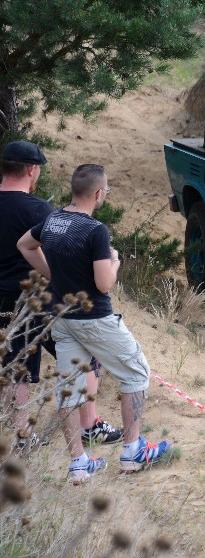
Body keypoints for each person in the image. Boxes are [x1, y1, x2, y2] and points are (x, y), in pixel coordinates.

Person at [18, 164, 169, 483]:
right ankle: (132, 451)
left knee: (69, 389)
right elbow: (103, 284)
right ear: (99, 194)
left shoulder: (53, 219)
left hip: (63, 318)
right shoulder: (95, 231)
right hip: (96, 319)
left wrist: (52, 274)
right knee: (137, 372)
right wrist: (114, 261)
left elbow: (25, 245)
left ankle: (79, 463)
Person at [0, 142, 122, 453]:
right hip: (40, 298)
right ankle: (89, 425)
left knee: (17, 367)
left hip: (1, 301)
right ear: (32, 170)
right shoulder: (39, 209)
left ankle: (23, 437)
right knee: (85, 357)